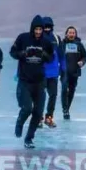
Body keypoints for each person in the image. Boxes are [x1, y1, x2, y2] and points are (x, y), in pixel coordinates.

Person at [10, 15, 55, 149]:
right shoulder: (23, 38)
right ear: (32, 28)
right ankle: (20, 122)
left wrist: (43, 55)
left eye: (40, 29)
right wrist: (23, 54)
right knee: (27, 108)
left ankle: (29, 138)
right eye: (36, 29)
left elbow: (50, 58)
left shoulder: (46, 42)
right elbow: (12, 52)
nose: (38, 32)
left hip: (40, 81)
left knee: (38, 112)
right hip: (25, 81)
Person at [41, 17, 65, 127]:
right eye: (45, 26)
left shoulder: (57, 38)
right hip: (40, 73)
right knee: (39, 96)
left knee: (53, 95)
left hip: (53, 73)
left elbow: (62, 56)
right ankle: (38, 118)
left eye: (49, 26)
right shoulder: (37, 38)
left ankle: (49, 117)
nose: (47, 28)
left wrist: (63, 70)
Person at [61, 26, 86, 120]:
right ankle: (65, 109)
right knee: (64, 89)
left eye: (73, 33)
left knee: (71, 91)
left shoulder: (79, 44)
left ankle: (67, 109)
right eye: (70, 32)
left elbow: (85, 56)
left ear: (75, 34)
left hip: (75, 72)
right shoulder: (62, 44)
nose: (71, 34)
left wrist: (82, 62)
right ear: (66, 34)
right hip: (64, 72)